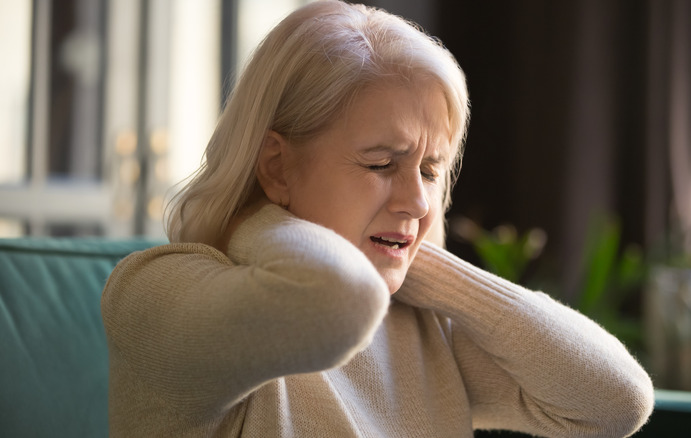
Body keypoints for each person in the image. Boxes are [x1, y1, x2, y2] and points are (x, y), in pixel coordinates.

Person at [101, 1, 654, 437]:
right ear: (277, 166)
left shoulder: (420, 325)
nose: (417, 201)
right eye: (382, 163)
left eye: (431, 170)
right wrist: (253, 215)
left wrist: (419, 264)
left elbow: (616, 400)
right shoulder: (156, 292)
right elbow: (333, 302)